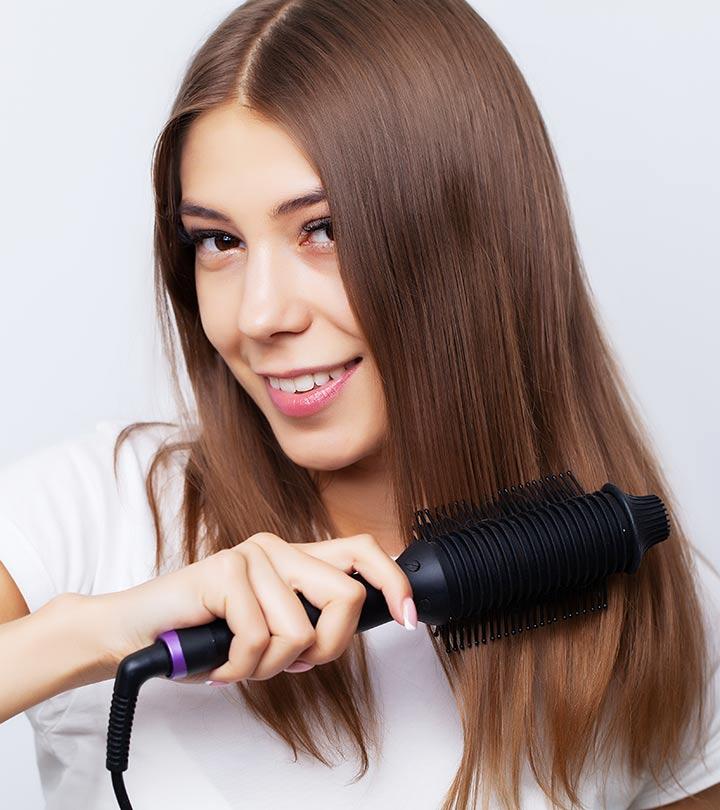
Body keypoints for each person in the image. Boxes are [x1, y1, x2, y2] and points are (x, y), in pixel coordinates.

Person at [1, 1, 719, 808]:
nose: (261, 314)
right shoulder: (98, 513)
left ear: (470, 238)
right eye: (219, 241)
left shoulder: (656, 614)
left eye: (324, 228)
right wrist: (100, 632)